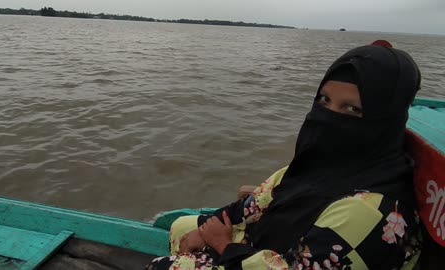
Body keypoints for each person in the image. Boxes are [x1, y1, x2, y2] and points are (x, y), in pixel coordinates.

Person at [145, 40, 422, 270]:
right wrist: (207, 228)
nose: (327, 118)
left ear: (385, 120)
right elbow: (251, 205)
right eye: (324, 101)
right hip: (268, 249)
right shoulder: (320, 164)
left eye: (351, 110)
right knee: (183, 226)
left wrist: (220, 244)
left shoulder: (368, 211)